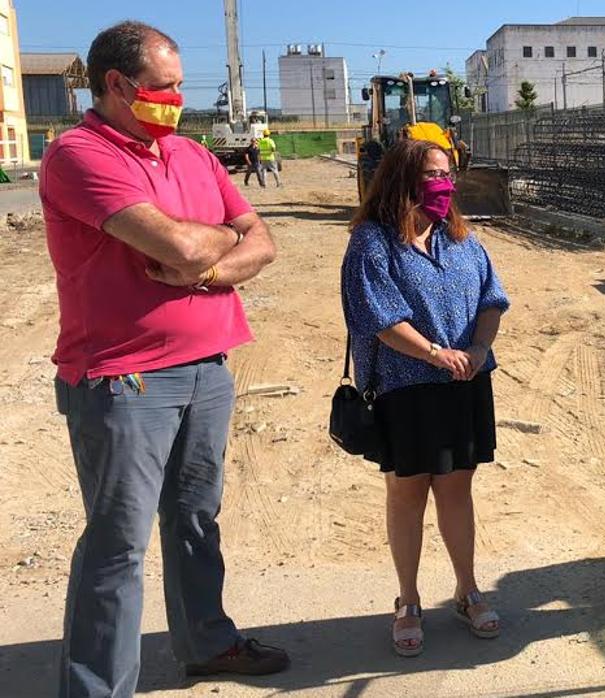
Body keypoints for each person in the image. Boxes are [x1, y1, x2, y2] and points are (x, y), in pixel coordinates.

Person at [39, 21, 287, 696]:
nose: (178, 99)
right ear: (117, 85)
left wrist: (208, 270)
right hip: (124, 377)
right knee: (118, 548)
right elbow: (177, 244)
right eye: (166, 87)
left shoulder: (193, 155)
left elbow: (260, 241)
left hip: (208, 366)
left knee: (196, 519)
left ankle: (207, 643)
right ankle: (96, 688)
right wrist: (212, 243)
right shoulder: (80, 156)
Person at [341, 138, 510, 657]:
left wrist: (480, 347)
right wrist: (436, 353)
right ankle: (409, 600)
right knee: (407, 494)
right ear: (401, 181)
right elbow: (380, 319)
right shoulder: (372, 243)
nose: (445, 185)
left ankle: (467, 590)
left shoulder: (462, 240)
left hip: (463, 386)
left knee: (457, 491)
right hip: (405, 389)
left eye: (449, 174)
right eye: (434, 175)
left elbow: (491, 299)